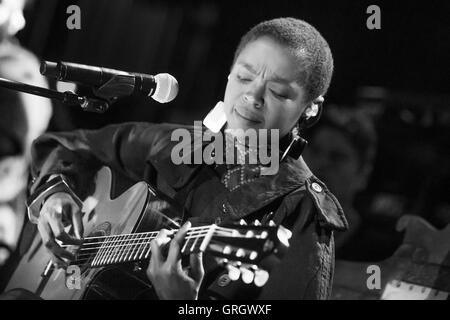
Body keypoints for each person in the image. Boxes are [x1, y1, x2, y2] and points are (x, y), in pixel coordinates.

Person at [19, 17, 347, 299]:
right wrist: (55, 193)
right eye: (244, 77)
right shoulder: (174, 143)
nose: (252, 96)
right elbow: (65, 145)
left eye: (278, 92)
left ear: (311, 107)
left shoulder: (302, 210)